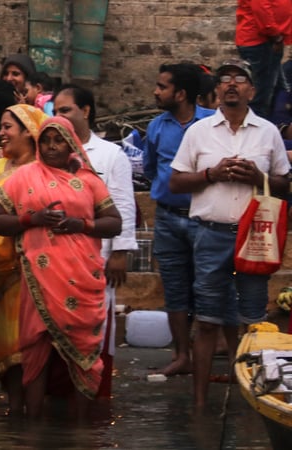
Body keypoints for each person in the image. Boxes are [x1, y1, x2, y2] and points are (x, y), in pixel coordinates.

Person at [169, 59, 291, 408]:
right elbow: (175, 181)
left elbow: (284, 184)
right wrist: (212, 174)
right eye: (225, 80)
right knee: (207, 319)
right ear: (216, 91)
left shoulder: (267, 132)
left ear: (252, 90)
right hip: (210, 234)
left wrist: (258, 178)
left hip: (254, 235)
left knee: (253, 320)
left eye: (240, 79)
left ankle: (253, 400)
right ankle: (200, 403)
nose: (233, 84)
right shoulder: (198, 132)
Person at [0, 117, 122, 416]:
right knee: (36, 348)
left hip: (81, 277)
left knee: (82, 351)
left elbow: (114, 223)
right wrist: (31, 219)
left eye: (58, 140)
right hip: (39, 277)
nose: (51, 147)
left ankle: (80, 433)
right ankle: (33, 426)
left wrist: (81, 224)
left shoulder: (89, 181)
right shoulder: (23, 178)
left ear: (71, 142)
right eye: (46, 140)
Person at [53, 85, 137, 398]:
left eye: (66, 110)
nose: (59, 117)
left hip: (98, 257)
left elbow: (123, 205)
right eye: (56, 112)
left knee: (97, 329)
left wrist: (120, 252)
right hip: (57, 259)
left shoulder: (111, 154)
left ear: (85, 111)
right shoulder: (51, 153)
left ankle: (93, 398)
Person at [141, 63, 214, 377]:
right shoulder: (157, 126)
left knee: (209, 287)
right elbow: (150, 168)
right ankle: (182, 356)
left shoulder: (213, 124)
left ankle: (207, 353)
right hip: (169, 218)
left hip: (206, 218)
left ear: (181, 94)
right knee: (174, 288)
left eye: (162, 87)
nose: (156, 92)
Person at [0, 104, 48, 414]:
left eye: (8, 127)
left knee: (28, 345)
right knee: (5, 347)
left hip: (27, 269)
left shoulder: (44, 171)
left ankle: (29, 418)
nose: (1, 133)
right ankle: (14, 411)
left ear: (29, 132)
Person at [234, 0, 291, 118]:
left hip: (267, 41)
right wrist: (276, 36)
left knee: (278, 89)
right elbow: (261, 9)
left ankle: (278, 124)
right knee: (260, 96)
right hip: (261, 41)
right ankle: (256, 129)